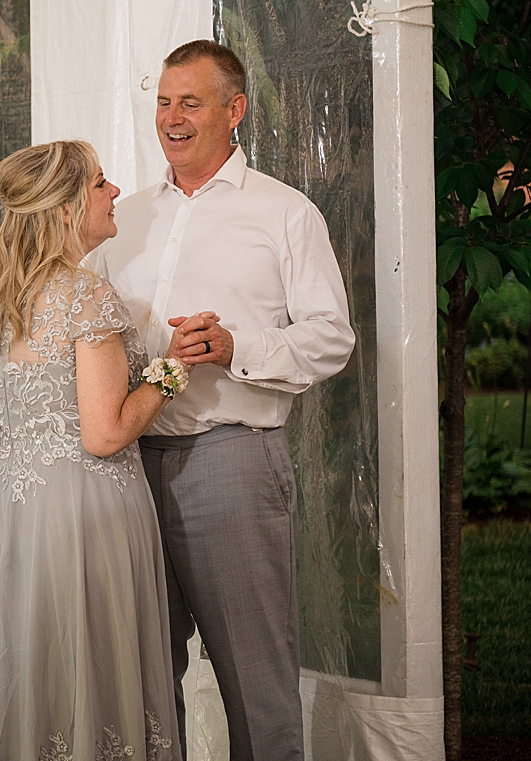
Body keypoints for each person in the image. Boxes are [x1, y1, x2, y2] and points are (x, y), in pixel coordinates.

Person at [91, 40, 355, 761]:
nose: (172, 118)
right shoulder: (124, 219)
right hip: (126, 467)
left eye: (191, 102)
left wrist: (237, 347)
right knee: (142, 680)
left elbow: (332, 338)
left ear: (234, 110)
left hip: (231, 461)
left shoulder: (284, 214)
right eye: (164, 102)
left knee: (254, 679)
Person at [0, 139, 182, 761]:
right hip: (91, 511)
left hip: (17, 512)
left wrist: (34, 442)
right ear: (66, 206)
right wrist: (169, 373)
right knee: (95, 663)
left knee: (36, 660)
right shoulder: (85, 297)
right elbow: (104, 433)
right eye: (101, 183)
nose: (114, 194)